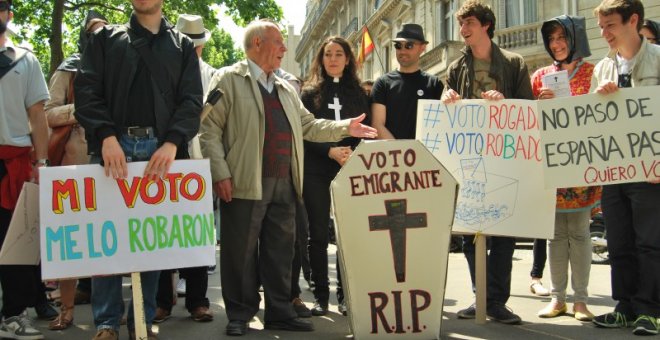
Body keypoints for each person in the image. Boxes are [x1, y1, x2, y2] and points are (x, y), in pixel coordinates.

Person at [199, 19, 376, 337]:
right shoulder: (227, 79)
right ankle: (240, 314)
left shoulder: (285, 88)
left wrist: (345, 127)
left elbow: (309, 126)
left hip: (286, 181)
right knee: (239, 251)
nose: (283, 48)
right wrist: (220, 172)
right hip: (243, 180)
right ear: (257, 44)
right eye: (278, 42)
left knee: (281, 251)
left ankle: (279, 311)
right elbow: (208, 129)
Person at [74, 0, 202, 339]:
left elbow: (192, 100)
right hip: (111, 151)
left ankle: (141, 322)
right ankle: (105, 323)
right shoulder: (103, 40)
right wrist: (105, 136)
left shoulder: (183, 46)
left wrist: (173, 142)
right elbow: (86, 92)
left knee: (152, 243)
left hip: (161, 153)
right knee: (106, 242)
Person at [441, 0, 534, 325]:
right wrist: (448, 100)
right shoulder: (456, 67)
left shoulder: (514, 63)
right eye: (461, 24)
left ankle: (497, 301)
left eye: (468, 23)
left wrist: (505, 104)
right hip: (468, 158)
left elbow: (528, 108)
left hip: (504, 157)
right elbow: (444, 111)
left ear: (485, 25)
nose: (462, 30)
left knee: (504, 231)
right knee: (470, 232)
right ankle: (481, 297)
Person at [589, 0, 660, 336]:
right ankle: (625, 306)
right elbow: (588, 120)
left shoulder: (658, 59)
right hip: (613, 169)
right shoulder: (602, 68)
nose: (604, 34)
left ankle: (650, 310)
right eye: (601, 27)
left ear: (633, 20)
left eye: (610, 26)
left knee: (650, 241)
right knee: (618, 242)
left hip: (651, 170)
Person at [531, 15, 601, 322]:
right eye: (552, 39)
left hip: (583, 165)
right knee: (555, 236)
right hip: (550, 165)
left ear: (575, 39)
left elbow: (602, 115)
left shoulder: (596, 72)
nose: (556, 44)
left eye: (562, 38)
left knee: (581, 234)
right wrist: (540, 105)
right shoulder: (540, 76)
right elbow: (529, 122)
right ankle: (558, 299)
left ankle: (581, 301)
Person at [44, 9, 108, 332]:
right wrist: (78, 111)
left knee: (109, 245)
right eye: (94, 31)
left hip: (110, 171)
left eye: (105, 30)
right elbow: (48, 113)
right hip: (73, 169)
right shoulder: (68, 70)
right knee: (70, 244)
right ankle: (66, 311)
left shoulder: (120, 69)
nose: (100, 36)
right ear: (84, 35)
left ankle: (107, 319)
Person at [299, 36, 370, 317]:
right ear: (321, 59)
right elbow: (303, 133)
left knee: (346, 235)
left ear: (348, 59)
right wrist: (330, 151)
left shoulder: (361, 93)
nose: (333, 59)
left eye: (339, 54)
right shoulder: (308, 93)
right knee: (317, 233)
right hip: (317, 168)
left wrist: (350, 154)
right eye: (327, 54)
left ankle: (345, 295)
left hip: (350, 168)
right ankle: (320, 296)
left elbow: (367, 131)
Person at [154, 13, 214, 324]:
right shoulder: (163, 68)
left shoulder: (213, 76)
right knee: (163, 230)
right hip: (164, 156)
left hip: (197, 159)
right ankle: (163, 300)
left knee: (195, 232)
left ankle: (197, 300)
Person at [0, 1, 52, 338]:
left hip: (14, 164)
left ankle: (14, 314)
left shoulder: (25, 59)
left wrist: (42, 164)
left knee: (14, 242)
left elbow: (37, 115)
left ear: (8, 14)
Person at [371, 23, 443, 140]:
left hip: (424, 154)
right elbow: (377, 124)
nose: (402, 50)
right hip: (393, 155)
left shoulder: (434, 84)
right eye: (398, 46)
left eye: (409, 45)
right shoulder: (382, 83)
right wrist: (401, 152)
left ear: (422, 47)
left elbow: (441, 124)